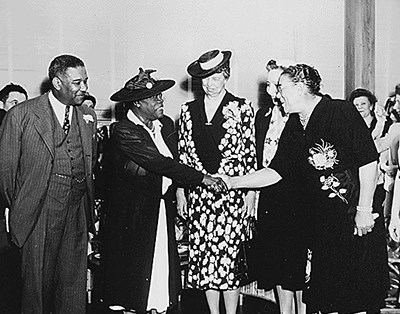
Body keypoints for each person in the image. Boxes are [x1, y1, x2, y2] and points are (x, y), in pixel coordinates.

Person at [220, 63, 389, 314]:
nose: (277, 94)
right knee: (327, 300)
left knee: (355, 302)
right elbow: (277, 171)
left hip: (352, 222)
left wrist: (364, 209)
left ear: (299, 88)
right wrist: (233, 182)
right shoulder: (294, 124)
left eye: (282, 88)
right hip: (322, 227)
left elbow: (368, 160)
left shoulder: (340, 111)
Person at [101, 68, 226, 314]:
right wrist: (203, 179)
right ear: (137, 103)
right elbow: (160, 163)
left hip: (159, 207)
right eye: (155, 98)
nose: (161, 101)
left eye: (161, 96)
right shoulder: (124, 130)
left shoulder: (165, 124)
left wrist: (183, 188)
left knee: (159, 265)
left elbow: (179, 159)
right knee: (135, 271)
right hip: (132, 213)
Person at [0, 54, 97, 314]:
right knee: (36, 288)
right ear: (56, 83)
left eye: (85, 81)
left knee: (73, 285)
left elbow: (90, 164)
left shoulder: (87, 116)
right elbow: (7, 172)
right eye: (77, 82)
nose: (84, 88)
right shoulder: (22, 115)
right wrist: (21, 206)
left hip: (76, 210)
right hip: (39, 211)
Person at [176, 49, 257, 314]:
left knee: (228, 258)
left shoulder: (242, 108)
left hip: (231, 195)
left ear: (226, 76)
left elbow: (249, 154)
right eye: (205, 79)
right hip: (200, 195)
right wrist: (181, 192)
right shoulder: (187, 110)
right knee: (205, 259)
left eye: (215, 78)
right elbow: (183, 155)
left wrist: (250, 192)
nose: (210, 84)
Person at [253, 59, 308, 314]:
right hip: (269, 195)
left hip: (296, 197)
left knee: (297, 263)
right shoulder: (262, 115)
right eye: (268, 85)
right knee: (277, 261)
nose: (272, 89)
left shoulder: (300, 115)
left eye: (277, 84)